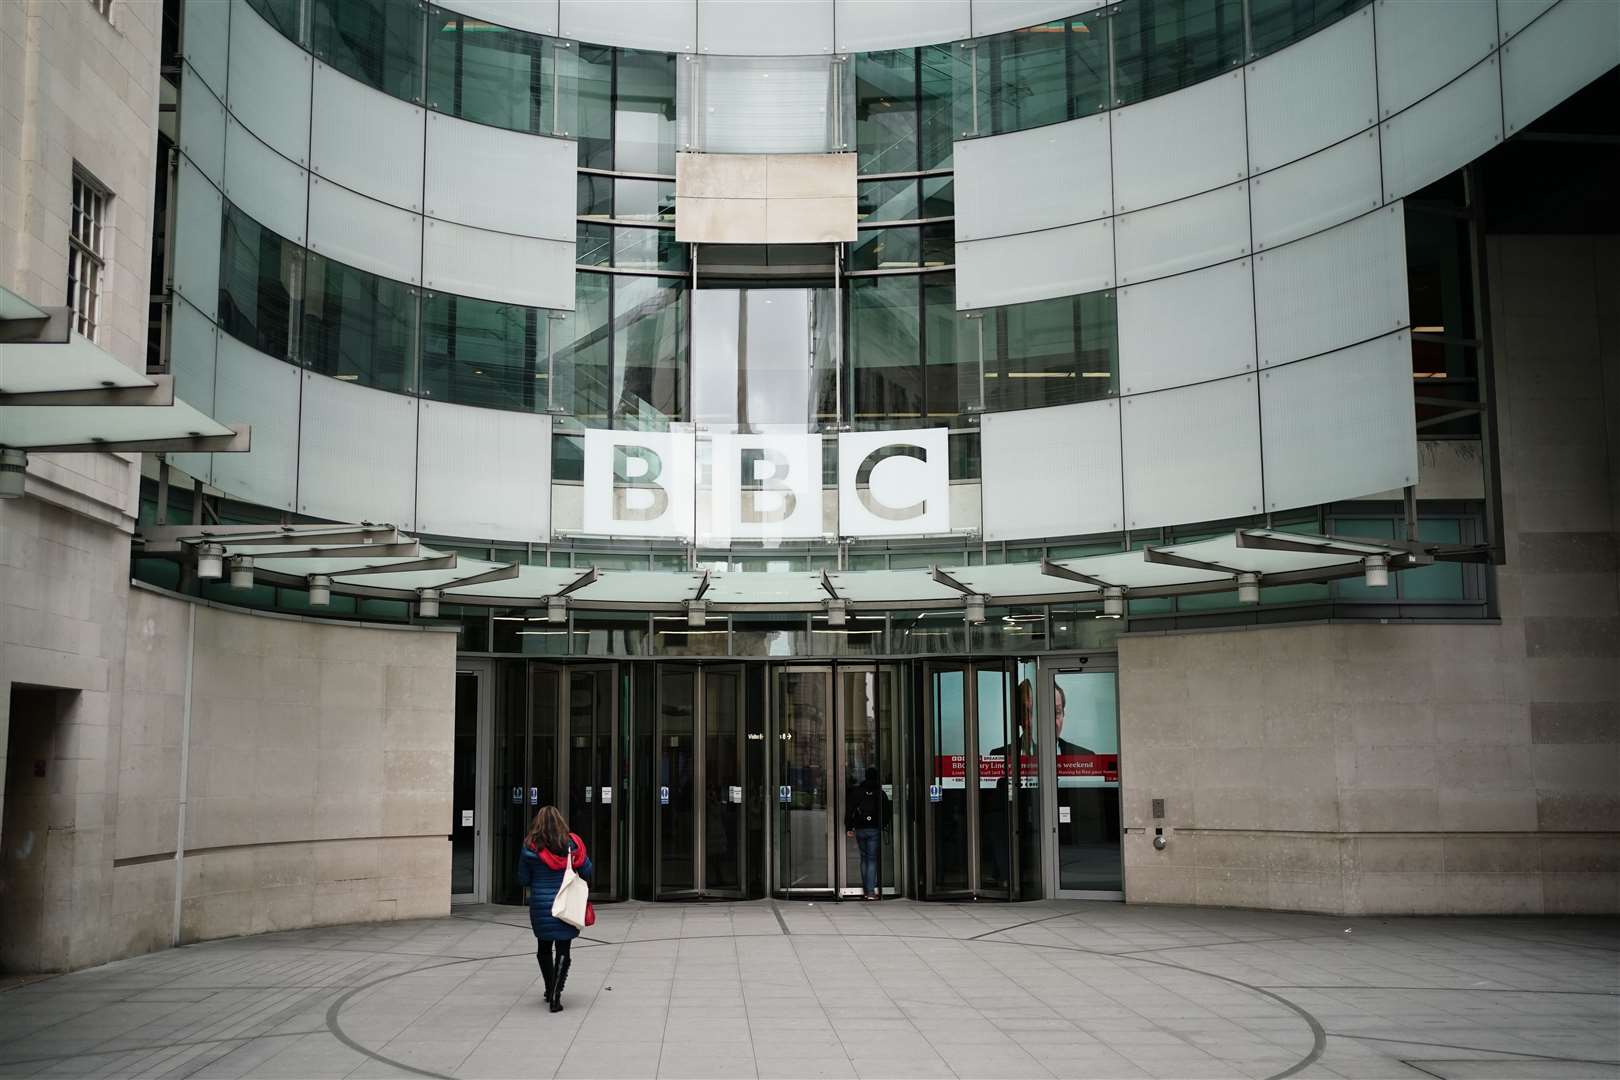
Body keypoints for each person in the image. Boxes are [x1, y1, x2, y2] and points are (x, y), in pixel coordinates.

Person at [518, 805, 592, 1013]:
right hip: (565, 904)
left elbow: (523, 878)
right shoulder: (572, 845)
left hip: (541, 906)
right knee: (563, 950)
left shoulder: (530, 847)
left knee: (543, 948)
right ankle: (555, 996)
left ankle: (549, 987)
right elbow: (588, 870)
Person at [844, 767, 890, 900]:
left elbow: (849, 810)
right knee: (871, 859)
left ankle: (866, 890)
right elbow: (886, 811)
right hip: (874, 829)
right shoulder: (880, 793)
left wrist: (849, 827)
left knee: (864, 858)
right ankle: (870, 891)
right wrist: (883, 825)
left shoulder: (856, 792)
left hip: (860, 829)